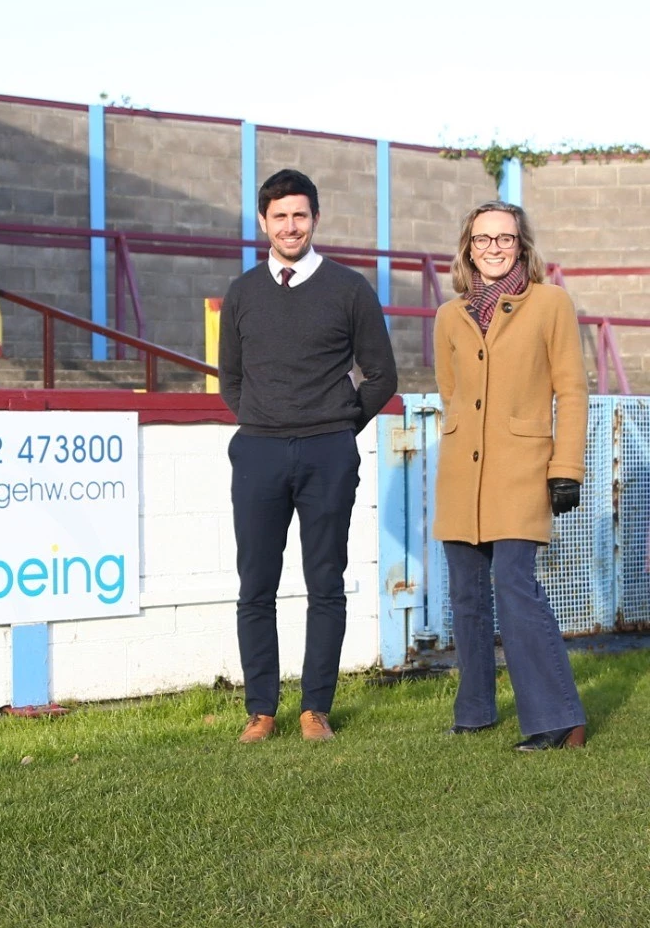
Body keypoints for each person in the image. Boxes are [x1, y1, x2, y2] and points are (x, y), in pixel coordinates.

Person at [218, 168, 398, 744]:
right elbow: (231, 379)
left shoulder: (349, 289)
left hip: (328, 453)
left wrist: (340, 425)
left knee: (325, 581)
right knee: (256, 584)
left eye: (300, 215)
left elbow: (382, 375)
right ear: (264, 223)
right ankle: (261, 711)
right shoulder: (243, 292)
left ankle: (315, 708)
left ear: (314, 219)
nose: (290, 226)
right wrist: (266, 417)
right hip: (259, 453)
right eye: (279, 216)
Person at [432, 200, 588, 751]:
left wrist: (566, 468)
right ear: (467, 247)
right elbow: (452, 394)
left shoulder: (550, 304)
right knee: (467, 594)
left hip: (523, 468)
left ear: (522, 245)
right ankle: (474, 709)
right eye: (482, 239)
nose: (493, 248)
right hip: (460, 473)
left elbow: (571, 391)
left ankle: (557, 717)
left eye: (504, 238)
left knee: (514, 584)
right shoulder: (449, 316)